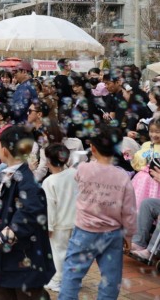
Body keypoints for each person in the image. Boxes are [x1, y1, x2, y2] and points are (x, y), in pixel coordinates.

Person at [0, 125, 55, 299]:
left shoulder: (29, 184)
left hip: (26, 259)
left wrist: (1, 238)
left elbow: (27, 216)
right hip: (5, 259)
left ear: (3, 150)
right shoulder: (4, 175)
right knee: (1, 293)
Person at [58, 125, 137, 300]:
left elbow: (75, 174)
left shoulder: (84, 169)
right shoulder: (123, 177)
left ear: (92, 148)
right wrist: (129, 234)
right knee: (111, 279)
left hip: (84, 232)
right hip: (112, 234)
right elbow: (129, 211)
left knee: (72, 275)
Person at [42, 143, 78, 293]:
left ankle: (57, 280)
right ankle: (72, 280)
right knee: (73, 253)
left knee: (58, 253)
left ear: (49, 161)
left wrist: (48, 227)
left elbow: (50, 207)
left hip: (59, 224)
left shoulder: (49, 181)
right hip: (76, 222)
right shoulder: (74, 174)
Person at [130, 118, 160, 209]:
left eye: (157, 131)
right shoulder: (147, 145)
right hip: (142, 182)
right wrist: (132, 156)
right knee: (139, 206)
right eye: (151, 131)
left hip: (157, 182)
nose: (153, 135)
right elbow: (139, 163)